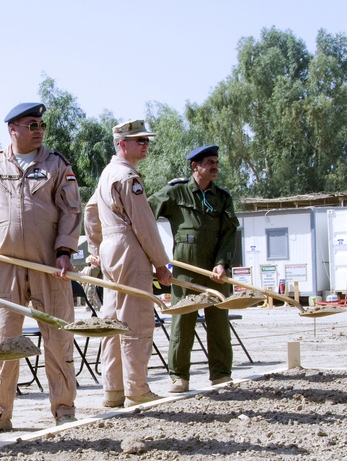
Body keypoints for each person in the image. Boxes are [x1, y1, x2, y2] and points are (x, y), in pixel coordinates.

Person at [0, 102, 80, 434]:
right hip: (6, 268)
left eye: (41, 125)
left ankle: (64, 409)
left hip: (50, 267)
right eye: (31, 125)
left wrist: (64, 250)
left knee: (58, 338)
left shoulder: (57, 165)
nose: (39, 131)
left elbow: (71, 209)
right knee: (3, 339)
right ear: (12, 129)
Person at [85, 119, 171, 408]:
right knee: (136, 318)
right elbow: (145, 225)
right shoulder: (126, 177)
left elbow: (91, 212)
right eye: (140, 141)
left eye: (146, 140)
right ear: (123, 144)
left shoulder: (107, 173)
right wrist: (161, 264)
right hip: (129, 245)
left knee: (113, 320)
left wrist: (96, 248)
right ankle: (136, 388)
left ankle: (114, 390)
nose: (146, 145)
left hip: (112, 247)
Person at [149, 145, 239, 393]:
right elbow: (144, 214)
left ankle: (221, 374)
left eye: (216, 162)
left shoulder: (222, 198)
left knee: (219, 323)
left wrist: (222, 263)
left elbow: (230, 233)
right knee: (182, 323)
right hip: (185, 271)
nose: (214, 166)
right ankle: (179, 376)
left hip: (216, 271)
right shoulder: (176, 192)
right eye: (209, 162)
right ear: (194, 166)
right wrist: (153, 255)